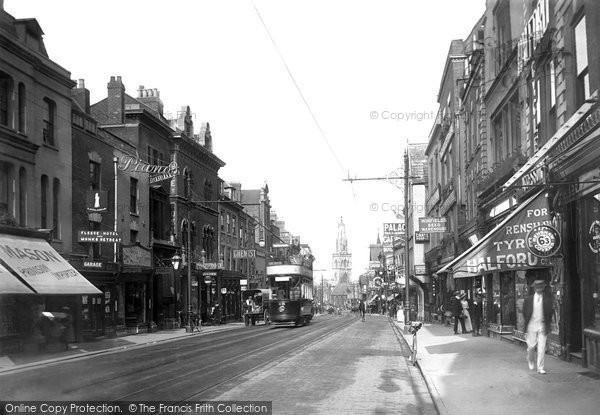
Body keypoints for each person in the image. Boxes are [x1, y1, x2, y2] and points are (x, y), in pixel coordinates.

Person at [523, 280, 553, 374]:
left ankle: (540, 367)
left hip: (542, 325)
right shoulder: (528, 299)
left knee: (542, 347)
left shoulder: (548, 299)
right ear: (534, 288)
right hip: (532, 324)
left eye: (541, 287)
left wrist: (547, 325)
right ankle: (530, 358)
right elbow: (524, 312)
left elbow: (550, 313)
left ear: (543, 288)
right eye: (537, 287)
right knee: (531, 346)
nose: (539, 289)